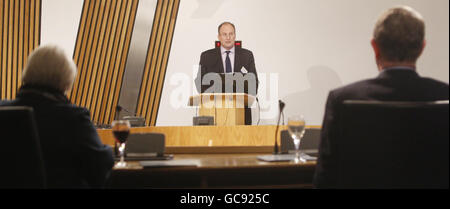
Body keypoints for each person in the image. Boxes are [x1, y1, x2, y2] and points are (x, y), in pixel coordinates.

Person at [313, 6, 449, 188]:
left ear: (375, 47)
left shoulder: (341, 100)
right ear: (422, 48)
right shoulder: (445, 96)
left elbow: (325, 180)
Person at [0, 45, 114, 188]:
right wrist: (109, 150)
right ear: (66, 82)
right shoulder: (73, 118)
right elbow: (100, 165)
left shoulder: (3, 111)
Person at [195, 22, 259, 125]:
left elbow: (254, 84)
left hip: (241, 113)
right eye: (224, 34)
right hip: (214, 113)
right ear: (219, 37)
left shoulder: (247, 55)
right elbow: (200, 85)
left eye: (231, 34)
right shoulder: (207, 56)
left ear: (235, 35)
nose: (228, 37)